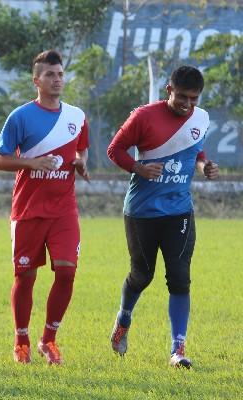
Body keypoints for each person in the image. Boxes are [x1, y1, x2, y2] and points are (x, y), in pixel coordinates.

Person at [107, 65, 219, 368]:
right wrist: (138, 168)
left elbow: (195, 150)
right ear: (169, 90)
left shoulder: (202, 118)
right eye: (182, 96)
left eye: (194, 98)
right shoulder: (143, 116)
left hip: (180, 211)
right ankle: (123, 319)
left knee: (180, 279)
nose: (187, 104)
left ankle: (178, 349)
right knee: (142, 276)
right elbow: (114, 150)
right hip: (142, 213)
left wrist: (204, 167)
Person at [0, 50, 90, 365]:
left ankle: (48, 339)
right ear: (37, 80)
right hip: (28, 210)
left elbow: (82, 148)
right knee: (25, 277)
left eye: (60, 74)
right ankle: (21, 339)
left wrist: (81, 162)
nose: (57, 79)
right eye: (50, 75)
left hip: (64, 209)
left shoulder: (76, 117)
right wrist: (32, 162)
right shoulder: (20, 116)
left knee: (67, 272)